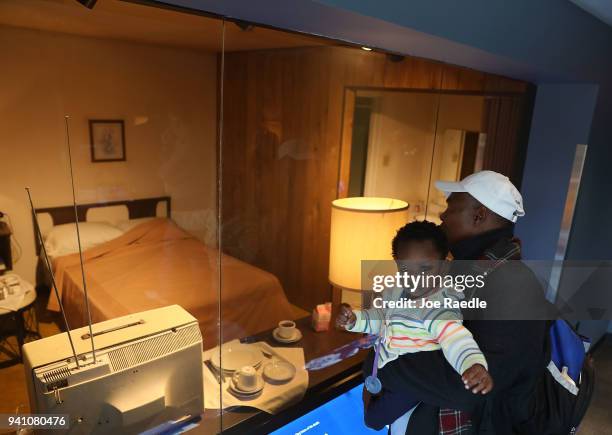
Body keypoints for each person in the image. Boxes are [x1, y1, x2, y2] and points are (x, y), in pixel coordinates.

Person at [367, 170, 553, 434]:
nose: (442, 216)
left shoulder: (514, 287)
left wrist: (378, 363)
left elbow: (467, 387)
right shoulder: (466, 272)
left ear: (478, 215)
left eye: (451, 206)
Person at [335, 221, 494, 433]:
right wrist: (355, 320)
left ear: (444, 265)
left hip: (411, 385)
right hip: (388, 366)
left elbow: (456, 340)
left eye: (425, 268)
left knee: (373, 419)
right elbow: (380, 317)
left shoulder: (439, 308)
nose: (414, 279)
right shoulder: (396, 292)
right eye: (404, 268)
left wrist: (473, 364)